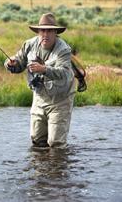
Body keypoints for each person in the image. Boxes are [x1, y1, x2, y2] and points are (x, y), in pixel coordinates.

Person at [5, 13, 75, 149]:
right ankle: (41, 169)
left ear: (56, 32)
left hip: (60, 100)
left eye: (49, 31)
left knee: (56, 143)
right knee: (37, 141)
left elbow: (66, 74)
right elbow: (18, 62)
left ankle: (57, 169)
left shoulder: (63, 50)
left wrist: (44, 69)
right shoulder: (29, 44)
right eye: (42, 30)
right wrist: (10, 64)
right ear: (38, 32)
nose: (45, 34)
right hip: (39, 97)